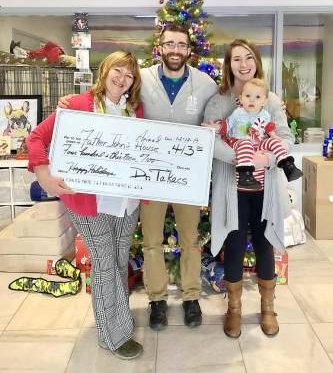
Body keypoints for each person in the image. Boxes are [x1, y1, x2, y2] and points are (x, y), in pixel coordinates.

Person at [58, 24, 218, 330]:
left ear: (189, 50)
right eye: (169, 43)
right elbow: (110, 95)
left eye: (181, 45)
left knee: (190, 241)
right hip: (148, 178)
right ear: (160, 47)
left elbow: (221, 108)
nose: (175, 49)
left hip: (187, 177)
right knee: (151, 242)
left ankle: (191, 297)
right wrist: (73, 101)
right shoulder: (141, 77)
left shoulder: (206, 83)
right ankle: (157, 300)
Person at [27, 51, 144, 360]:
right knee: (106, 262)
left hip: (126, 203)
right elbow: (37, 137)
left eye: (129, 75)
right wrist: (44, 174)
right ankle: (114, 335)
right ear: (104, 70)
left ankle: (112, 322)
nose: (122, 78)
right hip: (87, 203)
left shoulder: (135, 110)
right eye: (117, 70)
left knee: (117, 261)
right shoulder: (78, 104)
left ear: (134, 82)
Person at [203, 38, 293, 338]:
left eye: (248, 57)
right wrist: (240, 157)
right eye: (236, 59)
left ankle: (268, 308)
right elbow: (210, 139)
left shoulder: (271, 98)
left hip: (265, 191)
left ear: (256, 61)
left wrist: (265, 158)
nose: (243, 64)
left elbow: (284, 136)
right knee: (235, 244)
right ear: (228, 65)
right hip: (234, 189)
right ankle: (235, 309)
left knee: (266, 244)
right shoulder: (219, 100)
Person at [217, 77, 303, 190]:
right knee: (246, 143)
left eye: (257, 97)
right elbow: (228, 125)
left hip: (258, 142)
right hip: (239, 141)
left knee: (273, 142)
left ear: (264, 101)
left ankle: (288, 166)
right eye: (248, 96)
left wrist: (274, 136)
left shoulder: (264, 114)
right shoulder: (238, 113)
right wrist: (218, 127)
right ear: (241, 98)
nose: (252, 100)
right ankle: (245, 175)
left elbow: (268, 127)